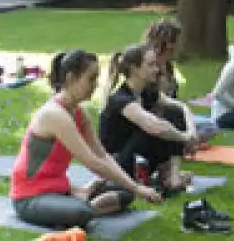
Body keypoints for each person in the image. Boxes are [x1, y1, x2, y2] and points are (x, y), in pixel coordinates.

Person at [10, 49, 163, 229]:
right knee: (82, 212)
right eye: (91, 79)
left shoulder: (78, 112)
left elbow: (102, 155)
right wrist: (138, 188)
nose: (95, 85)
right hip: (29, 197)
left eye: (96, 79)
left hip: (59, 191)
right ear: (71, 78)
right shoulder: (55, 115)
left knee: (124, 191)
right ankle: (84, 205)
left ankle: (82, 199)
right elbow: (92, 163)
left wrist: (133, 187)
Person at [98, 44, 198, 193]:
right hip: (118, 162)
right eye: (151, 65)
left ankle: (172, 175)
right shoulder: (121, 99)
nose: (157, 70)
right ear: (134, 69)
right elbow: (154, 127)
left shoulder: (147, 92)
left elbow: (180, 107)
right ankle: (166, 176)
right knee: (156, 127)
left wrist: (192, 132)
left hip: (138, 156)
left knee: (173, 113)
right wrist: (183, 137)